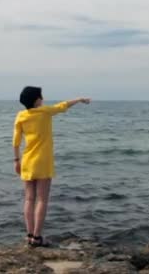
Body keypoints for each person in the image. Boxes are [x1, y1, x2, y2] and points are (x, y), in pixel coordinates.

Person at [12, 86, 91, 247]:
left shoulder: (20, 116)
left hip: (27, 160)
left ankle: (28, 235)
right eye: (41, 96)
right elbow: (63, 106)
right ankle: (37, 237)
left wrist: (16, 160)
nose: (43, 98)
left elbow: (16, 142)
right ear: (36, 100)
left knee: (28, 199)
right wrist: (79, 99)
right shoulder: (45, 112)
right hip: (42, 161)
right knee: (42, 199)